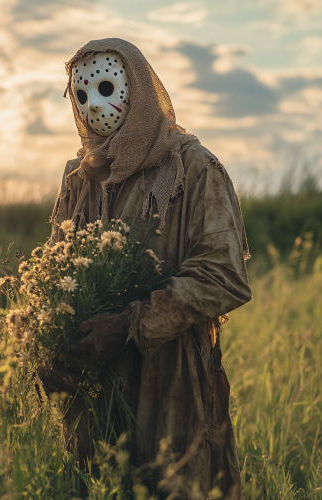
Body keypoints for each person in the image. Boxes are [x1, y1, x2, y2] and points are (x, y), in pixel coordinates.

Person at [38, 38, 252, 500]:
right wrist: (49, 342)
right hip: (95, 388)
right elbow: (51, 272)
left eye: (106, 87)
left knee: (175, 482)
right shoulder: (80, 178)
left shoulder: (193, 167)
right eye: (80, 95)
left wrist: (132, 323)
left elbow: (224, 274)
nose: (92, 105)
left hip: (169, 379)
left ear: (138, 90)